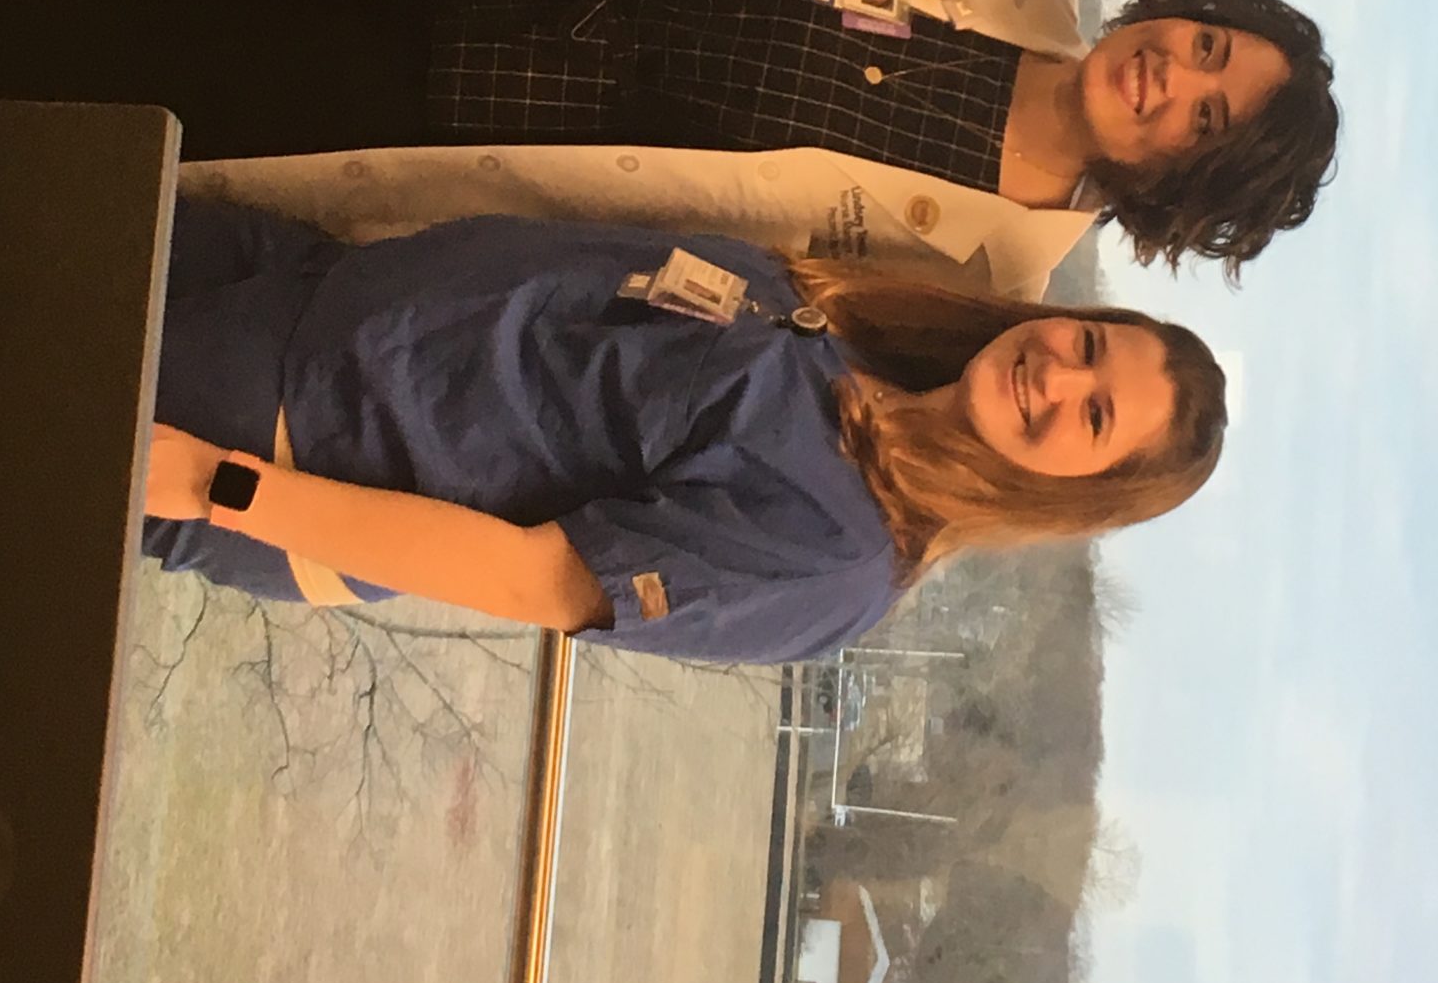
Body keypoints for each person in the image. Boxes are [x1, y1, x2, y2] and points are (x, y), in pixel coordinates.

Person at [0, 0, 1341, 285]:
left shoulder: (977, 273)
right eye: (1208, 48)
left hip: (441, 144)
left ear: (1177, 195)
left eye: (1203, 123)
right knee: (87, 15)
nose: (1171, 80)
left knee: (76, 129)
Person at [141, 194, 1228, 660]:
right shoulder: (854, 329)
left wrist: (219, 489)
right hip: (308, 282)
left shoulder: (839, 558)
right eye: (1089, 343)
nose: (1057, 373)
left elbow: (532, 580)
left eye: (1093, 417)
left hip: (285, 430)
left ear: (1073, 491)